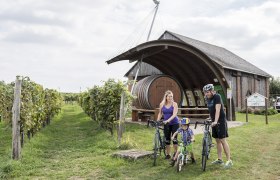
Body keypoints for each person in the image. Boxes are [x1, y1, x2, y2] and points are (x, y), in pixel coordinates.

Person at [203, 84, 233, 168]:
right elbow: (211, 110)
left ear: (212, 91)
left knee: (223, 140)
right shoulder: (207, 98)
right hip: (214, 121)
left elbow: (217, 110)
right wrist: (210, 118)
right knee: (217, 141)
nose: (206, 94)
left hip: (220, 121)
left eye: (208, 92)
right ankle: (220, 159)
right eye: (205, 92)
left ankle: (229, 160)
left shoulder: (217, 96)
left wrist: (216, 121)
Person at [157, 90, 179, 159]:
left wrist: (168, 120)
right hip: (166, 124)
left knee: (174, 139)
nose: (170, 98)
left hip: (175, 123)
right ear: (166, 97)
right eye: (169, 97)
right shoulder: (162, 104)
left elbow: (174, 114)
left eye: (172, 96)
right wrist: (158, 121)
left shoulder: (174, 104)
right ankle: (168, 154)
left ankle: (176, 153)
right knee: (167, 139)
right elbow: (160, 113)